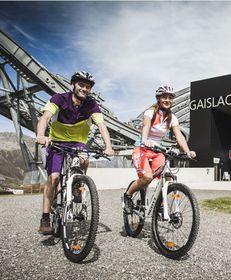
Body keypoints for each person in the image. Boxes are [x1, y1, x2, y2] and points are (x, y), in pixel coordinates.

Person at [36, 71, 114, 234]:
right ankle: (45, 218)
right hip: (57, 141)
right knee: (54, 178)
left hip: (77, 143)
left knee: (84, 159)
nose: (84, 89)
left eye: (87, 86)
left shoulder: (92, 105)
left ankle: (78, 185)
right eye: (81, 85)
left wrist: (108, 146)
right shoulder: (59, 98)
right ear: (74, 85)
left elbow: (102, 126)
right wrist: (40, 135)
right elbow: (45, 117)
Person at [123, 84, 196, 213]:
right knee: (147, 178)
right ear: (158, 98)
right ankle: (128, 195)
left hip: (158, 150)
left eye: (170, 98)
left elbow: (179, 135)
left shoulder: (172, 118)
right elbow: (145, 126)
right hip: (142, 148)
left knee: (168, 178)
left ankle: (161, 204)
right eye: (164, 97)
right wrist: (145, 140)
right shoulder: (150, 112)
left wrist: (187, 151)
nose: (167, 100)